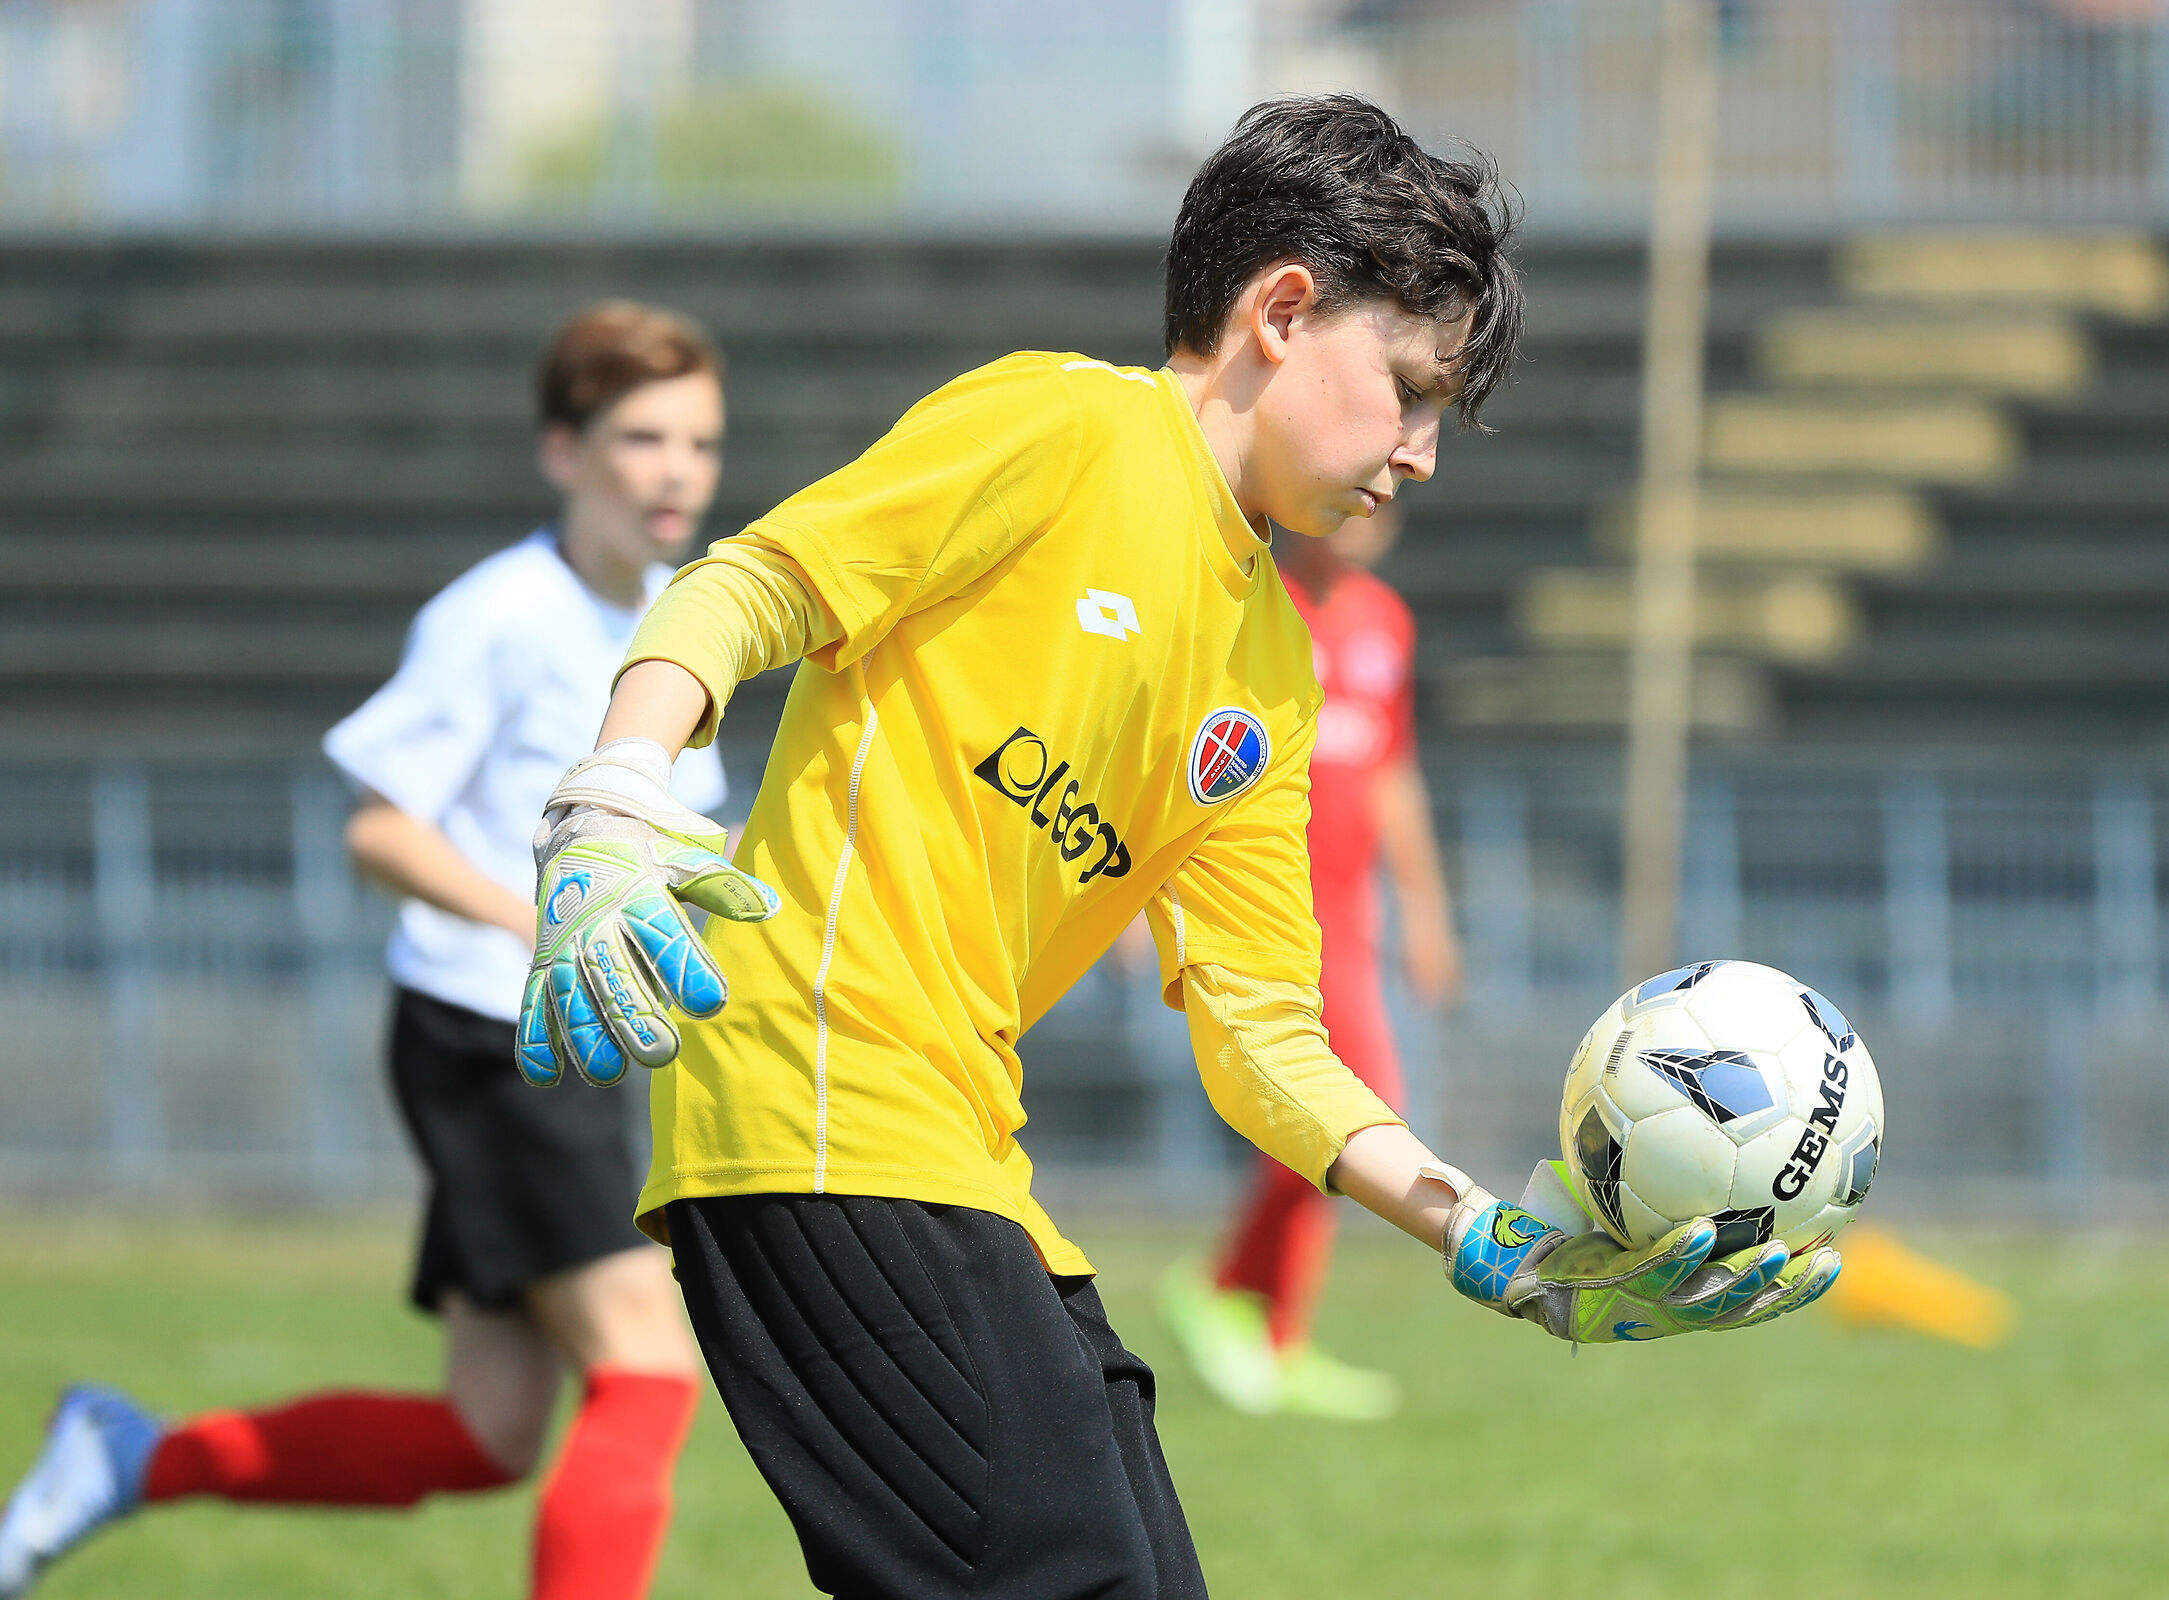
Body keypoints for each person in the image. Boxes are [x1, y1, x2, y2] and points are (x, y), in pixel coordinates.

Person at [512, 96, 1844, 1600]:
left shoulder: (1275, 671)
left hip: (963, 1155)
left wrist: (1486, 1237)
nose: (1418, 457)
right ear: (1283, 309)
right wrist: (615, 795)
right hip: (816, 1108)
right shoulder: (1066, 426)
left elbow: (1263, 1029)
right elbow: (751, 584)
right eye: (1406, 389)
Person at [0, 302, 729, 1600]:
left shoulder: (683, 620)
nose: (676, 469)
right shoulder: (499, 612)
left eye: (699, 441)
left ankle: (132, 1455)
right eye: (641, 437)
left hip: (565, 1049)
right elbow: (381, 831)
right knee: (648, 1369)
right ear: (564, 452)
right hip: (492, 1035)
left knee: (489, 1432)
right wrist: (535, 916)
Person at [1157, 496, 1457, 1421]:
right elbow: (1172, 749)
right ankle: (1230, 1297)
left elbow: (1393, 771)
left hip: (1350, 918)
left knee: (1349, 1112)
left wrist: (1426, 908)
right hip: (1267, 894)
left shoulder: (1386, 623)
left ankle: (1263, 1322)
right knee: (1353, 1108)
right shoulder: (1248, 608)